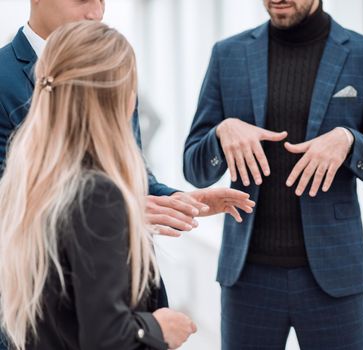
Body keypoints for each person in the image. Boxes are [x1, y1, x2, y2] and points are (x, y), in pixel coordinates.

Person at [0, 20, 250, 350]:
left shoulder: (29, 181)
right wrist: (158, 327)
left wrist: (178, 200)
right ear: (120, 97)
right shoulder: (97, 196)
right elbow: (106, 339)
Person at [183, 0, 363, 348]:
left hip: (334, 279)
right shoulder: (227, 55)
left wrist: (350, 142)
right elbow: (194, 169)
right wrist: (221, 133)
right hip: (247, 278)